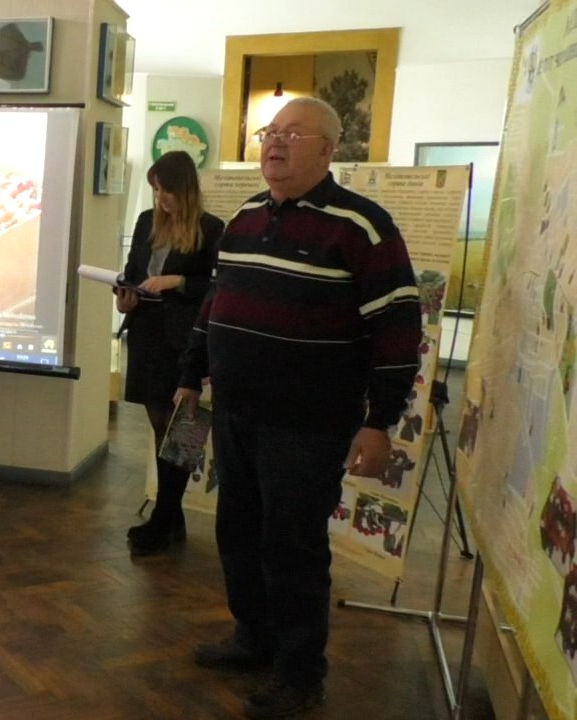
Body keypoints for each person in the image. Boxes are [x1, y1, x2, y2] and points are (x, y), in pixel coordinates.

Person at [176, 97, 420, 719]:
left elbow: (397, 329)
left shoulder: (361, 226)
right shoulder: (245, 217)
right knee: (237, 533)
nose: (276, 143)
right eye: (270, 132)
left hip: (308, 425)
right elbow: (214, 303)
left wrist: (379, 421)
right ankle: (253, 638)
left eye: (293, 133)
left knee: (292, 548)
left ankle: (299, 673)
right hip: (235, 413)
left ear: (329, 150)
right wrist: (190, 373)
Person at [118, 151, 224, 555]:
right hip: (147, 333)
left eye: (167, 191)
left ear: (186, 189)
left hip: (186, 342)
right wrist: (125, 297)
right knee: (160, 428)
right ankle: (169, 517)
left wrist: (176, 280)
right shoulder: (147, 221)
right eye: (156, 191)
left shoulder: (211, 228)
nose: (161, 199)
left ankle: (164, 518)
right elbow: (132, 272)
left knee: (183, 430)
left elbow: (217, 287)